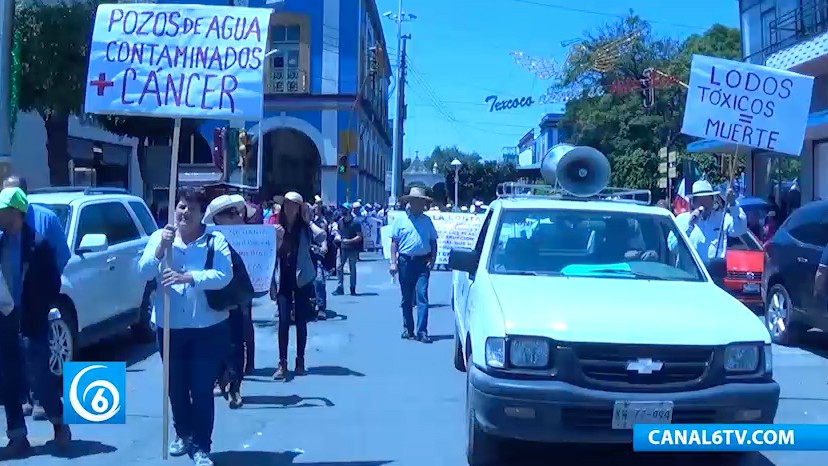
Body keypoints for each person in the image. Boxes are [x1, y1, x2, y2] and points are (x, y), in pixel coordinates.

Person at [137, 187, 233, 466]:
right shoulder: (160, 236)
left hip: (207, 326)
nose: (185, 213)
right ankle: (184, 434)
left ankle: (202, 445)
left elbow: (223, 275)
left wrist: (188, 277)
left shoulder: (215, 240)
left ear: (202, 214)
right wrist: (159, 249)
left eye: (191, 208)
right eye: (181, 206)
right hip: (169, 325)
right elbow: (142, 272)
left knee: (201, 387)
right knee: (176, 386)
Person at [0, 187, 72, 456]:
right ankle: (17, 435)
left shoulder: (38, 244)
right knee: (8, 378)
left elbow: (54, 282)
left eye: (3, 210)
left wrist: (40, 306)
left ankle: (59, 423)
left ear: (15, 213)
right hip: (4, 317)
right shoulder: (0, 241)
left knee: (38, 376)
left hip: (32, 316)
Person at [202, 195, 256, 409]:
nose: (237, 217)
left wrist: (276, 240)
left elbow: (262, 261)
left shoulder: (249, 237)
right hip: (215, 299)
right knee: (215, 342)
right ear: (217, 219)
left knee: (236, 341)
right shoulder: (207, 240)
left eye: (237, 213)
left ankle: (235, 387)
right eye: (230, 213)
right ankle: (219, 376)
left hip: (238, 298)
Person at [272, 192, 326, 380]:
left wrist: (308, 220)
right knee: (284, 321)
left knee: (301, 320)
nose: (290, 208)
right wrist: (271, 283)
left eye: (295, 205)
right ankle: (282, 363)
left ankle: (300, 360)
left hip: (302, 278)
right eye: (288, 204)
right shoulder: (277, 227)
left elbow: (322, 236)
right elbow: (270, 256)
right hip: (283, 279)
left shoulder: (305, 228)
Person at [389, 187, 438, 343]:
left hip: (422, 263)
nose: (419, 205)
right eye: (416, 201)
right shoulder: (400, 220)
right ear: (409, 202)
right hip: (405, 262)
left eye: (421, 202)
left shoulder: (427, 221)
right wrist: (393, 263)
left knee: (422, 296)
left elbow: (433, 242)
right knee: (406, 298)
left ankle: (422, 331)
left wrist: (433, 259)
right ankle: (408, 328)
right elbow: (394, 243)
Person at [669, 180, 747, 266]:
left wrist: (733, 204)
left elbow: (740, 229)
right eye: (700, 200)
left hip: (714, 273)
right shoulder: (681, 220)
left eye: (707, 200)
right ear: (693, 202)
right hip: (689, 274)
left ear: (712, 201)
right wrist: (689, 226)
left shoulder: (722, 218)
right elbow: (673, 247)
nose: (704, 204)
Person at [333, 203, 362, 296]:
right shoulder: (340, 222)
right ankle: (340, 287)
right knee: (339, 268)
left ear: (349, 211)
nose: (342, 211)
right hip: (342, 248)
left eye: (344, 210)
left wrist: (348, 241)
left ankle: (352, 288)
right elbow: (338, 232)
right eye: (342, 210)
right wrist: (338, 237)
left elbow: (359, 236)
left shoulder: (355, 222)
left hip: (352, 248)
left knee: (352, 269)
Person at [310, 203, 329, 320]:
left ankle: (321, 308)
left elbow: (323, 240)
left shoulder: (319, 224)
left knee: (319, 280)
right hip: (300, 257)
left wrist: (323, 247)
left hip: (315, 257)